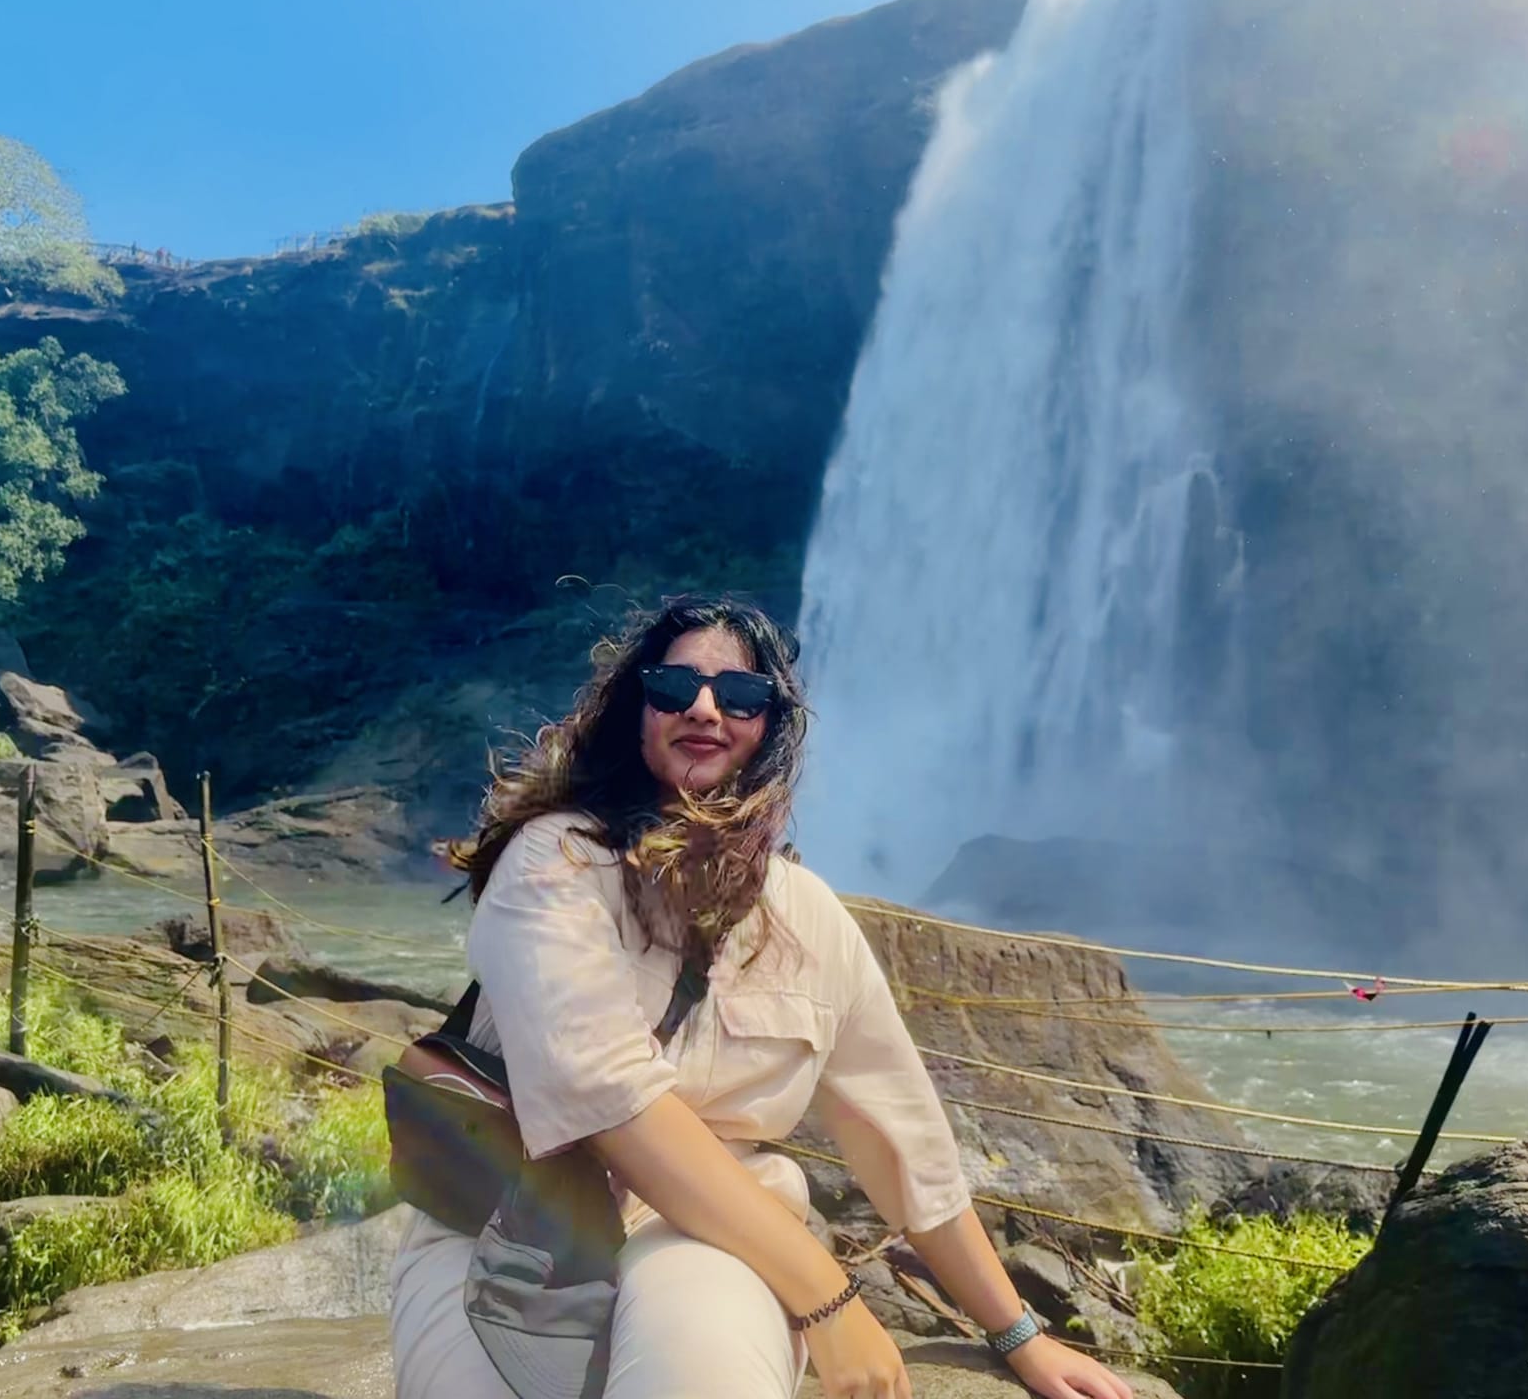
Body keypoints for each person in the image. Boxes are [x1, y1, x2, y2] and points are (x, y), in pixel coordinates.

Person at [390, 596, 1132, 1399]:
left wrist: (1020, 1336)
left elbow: (906, 1145)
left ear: (771, 727)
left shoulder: (810, 918)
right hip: (509, 1223)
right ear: (637, 712)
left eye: (740, 695)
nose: (705, 708)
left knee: (700, 1368)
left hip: (710, 1244)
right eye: (675, 686)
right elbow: (610, 1097)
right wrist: (830, 1297)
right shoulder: (555, 864)